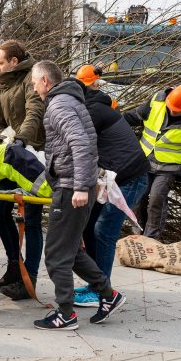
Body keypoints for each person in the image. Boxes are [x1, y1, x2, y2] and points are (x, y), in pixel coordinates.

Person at [30, 60, 125, 331]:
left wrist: (81, 187)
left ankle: (65, 314)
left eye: (35, 83)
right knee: (70, 251)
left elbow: (81, 144)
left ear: (45, 81)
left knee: (56, 255)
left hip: (72, 187)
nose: (34, 88)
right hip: (74, 184)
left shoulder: (59, 105)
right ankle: (108, 295)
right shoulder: (70, 101)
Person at [74, 75, 150, 307]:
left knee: (103, 229)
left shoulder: (91, 112)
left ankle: (102, 290)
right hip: (115, 176)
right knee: (89, 226)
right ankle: (95, 283)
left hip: (130, 177)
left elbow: (77, 146)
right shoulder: (91, 106)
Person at [0, 39, 45, 293]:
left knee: (31, 218)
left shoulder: (31, 79)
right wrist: (6, 138)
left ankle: (28, 279)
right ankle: (15, 266)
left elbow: (35, 112)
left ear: (13, 61)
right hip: (13, 154)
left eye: (0, 63)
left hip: (35, 153)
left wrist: (22, 139)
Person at [123, 84, 181, 239]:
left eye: (178, 109)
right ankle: (138, 232)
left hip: (168, 169)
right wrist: (112, 121)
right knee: (137, 196)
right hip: (145, 161)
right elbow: (133, 116)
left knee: (156, 198)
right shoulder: (157, 102)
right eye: (171, 107)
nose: (173, 111)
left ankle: (151, 238)